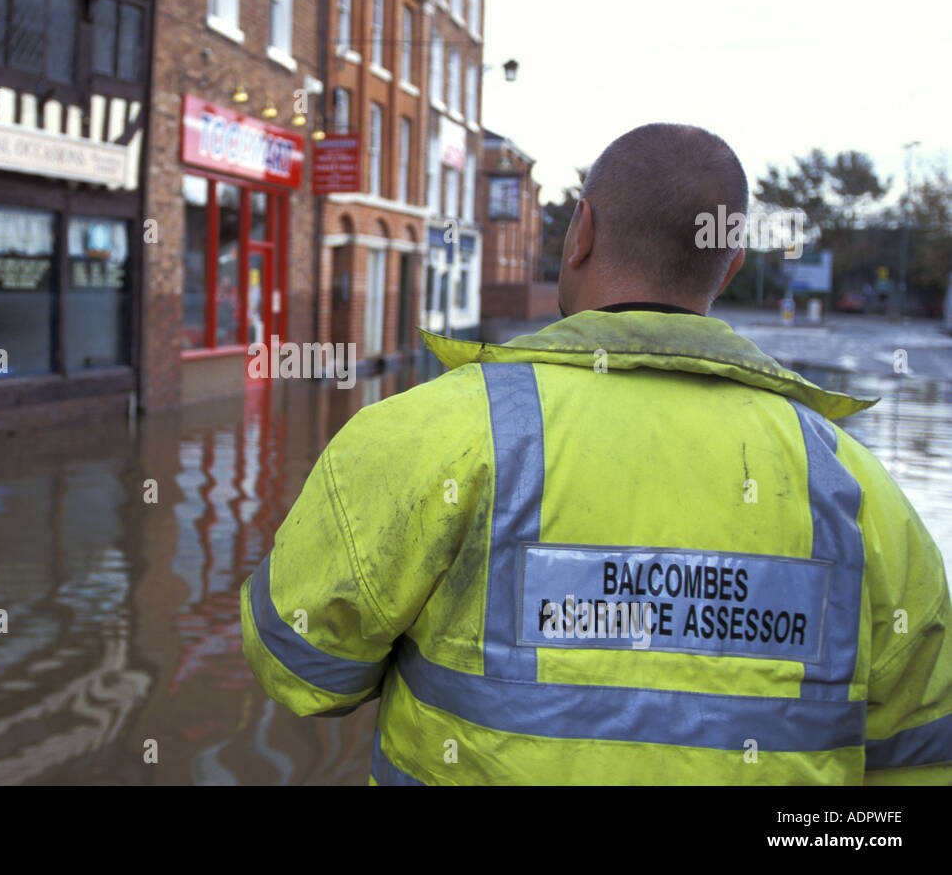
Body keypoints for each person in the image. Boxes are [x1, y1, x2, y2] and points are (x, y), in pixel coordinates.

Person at [239, 123, 952, 785]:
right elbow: (922, 752)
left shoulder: (429, 432)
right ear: (729, 266)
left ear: (580, 233)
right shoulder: (854, 488)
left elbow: (299, 663)